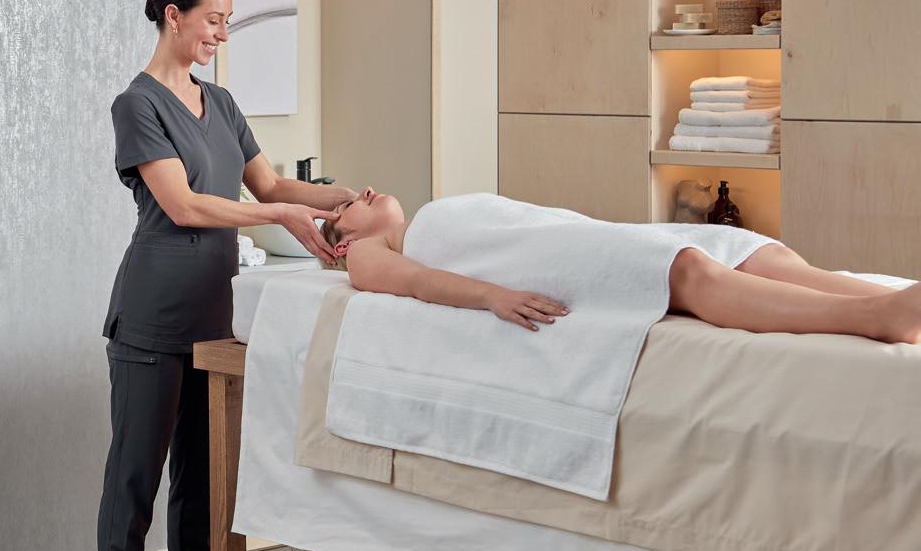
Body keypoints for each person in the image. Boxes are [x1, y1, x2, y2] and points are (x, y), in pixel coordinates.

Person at [97, 0, 358, 551]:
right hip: (152, 315)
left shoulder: (222, 101)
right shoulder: (136, 105)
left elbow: (270, 184)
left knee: (202, 477)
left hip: (214, 317)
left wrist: (344, 196)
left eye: (227, 22)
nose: (220, 34)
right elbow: (183, 204)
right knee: (135, 477)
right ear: (172, 16)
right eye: (212, 20)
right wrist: (279, 214)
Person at [320, 188, 921, 344]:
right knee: (686, 270)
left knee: (746, 249)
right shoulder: (370, 254)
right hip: (549, 258)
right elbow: (419, 283)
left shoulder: (419, 219)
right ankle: (874, 317)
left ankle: (889, 300)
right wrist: (492, 297)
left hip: (570, 230)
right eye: (344, 207)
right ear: (341, 245)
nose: (361, 193)